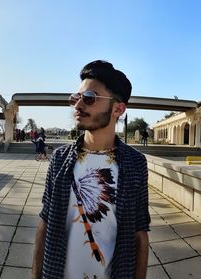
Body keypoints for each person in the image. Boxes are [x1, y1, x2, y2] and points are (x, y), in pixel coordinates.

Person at [32, 60, 150, 278]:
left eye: (88, 98)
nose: (78, 105)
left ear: (118, 108)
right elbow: (44, 222)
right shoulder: (59, 159)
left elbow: (140, 233)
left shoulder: (135, 164)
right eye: (76, 98)